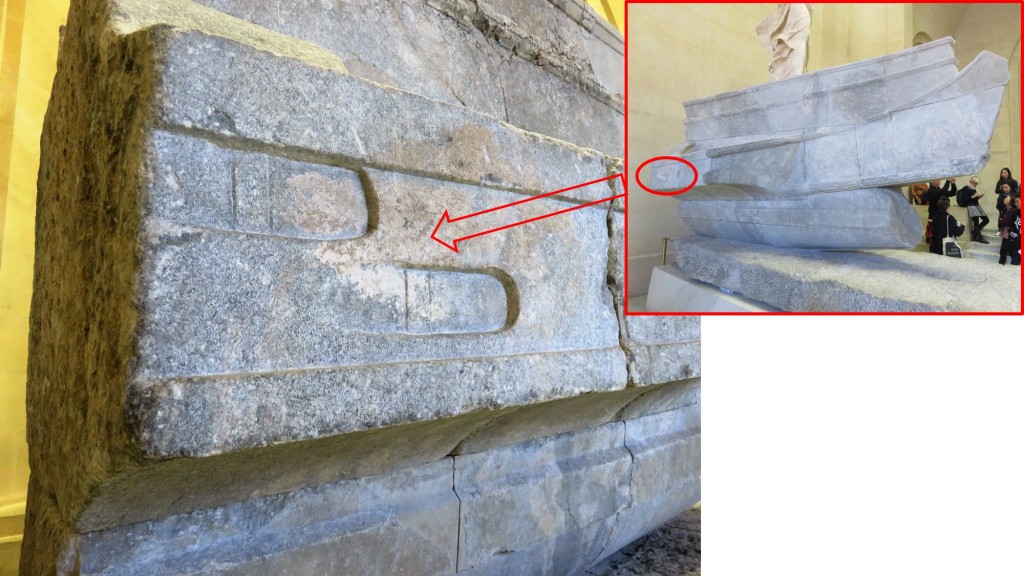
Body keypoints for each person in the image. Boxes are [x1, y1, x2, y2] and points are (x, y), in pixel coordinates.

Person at [756, 4, 813, 80]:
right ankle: (794, 74)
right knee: (799, 37)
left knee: (801, 37)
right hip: (797, 8)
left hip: (800, 9)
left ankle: (794, 74)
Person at [958, 177, 989, 243]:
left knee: (986, 220)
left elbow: (973, 199)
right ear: (971, 181)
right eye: (975, 183)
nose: (976, 184)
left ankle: (976, 232)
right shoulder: (966, 188)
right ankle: (980, 237)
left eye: (977, 183)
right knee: (976, 222)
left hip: (976, 205)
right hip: (971, 206)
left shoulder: (973, 189)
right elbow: (965, 199)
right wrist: (974, 196)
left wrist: (978, 197)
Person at [998, 195, 1020, 266]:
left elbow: (1007, 222)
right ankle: (1001, 264)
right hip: (1011, 235)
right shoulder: (1011, 211)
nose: (1005, 198)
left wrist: (1002, 220)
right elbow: (1001, 220)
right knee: (1004, 250)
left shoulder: (1013, 210)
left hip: (1014, 236)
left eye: (1007, 197)